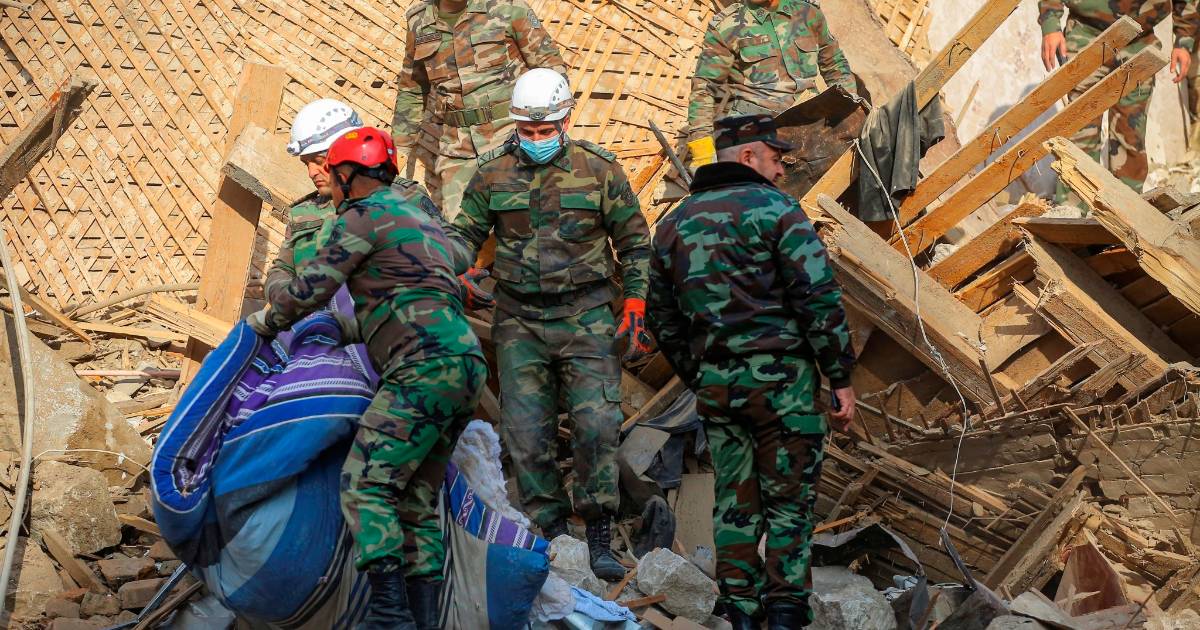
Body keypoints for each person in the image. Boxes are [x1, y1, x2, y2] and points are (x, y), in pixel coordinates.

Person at [246, 127, 485, 630]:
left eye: (331, 174)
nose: (326, 184)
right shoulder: (421, 221)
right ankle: (423, 622)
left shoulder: (359, 216)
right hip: (464, 366)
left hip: (420, 368)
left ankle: (390, 618)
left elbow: (310, 288)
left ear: (349, 176)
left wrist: (266, 324)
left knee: (364, 485)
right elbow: (409, 299)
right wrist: (346, 327)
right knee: (416, 500)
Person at [646, 114, 857, 629]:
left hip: (718, 387)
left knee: (734, 499)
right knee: (789, 500)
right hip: (784, 386)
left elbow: (661, 318)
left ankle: (739, 608)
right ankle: (784, 610)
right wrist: (839, 376)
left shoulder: (673, 223)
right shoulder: (778, 210)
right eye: (777, 159)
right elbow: (818, 298)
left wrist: (700, 375)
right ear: (748, 156)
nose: (782, 171)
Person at [446, 68, 652, 581]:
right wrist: (456, 268)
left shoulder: (600, 170)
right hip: (519, 320)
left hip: (587, 316)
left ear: (565, 121)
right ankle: (555, 535)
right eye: (527, 131)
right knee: (526, 433)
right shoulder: (492, 173)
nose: (536, 139)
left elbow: (634, 244)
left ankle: (599, 533)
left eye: (545, 130)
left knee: (596, 427)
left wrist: (634, 304)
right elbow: (464, 234)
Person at [393, 0, 567, 220]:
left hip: (510, 140)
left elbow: (550, 69)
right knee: (458, 230)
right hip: (456, 150)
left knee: (522, 224)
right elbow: (413, 88)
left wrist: (548, 132)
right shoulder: (419, 20)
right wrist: (400, 147)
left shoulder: (508, 8)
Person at [268, 99, 441, 302]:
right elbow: (282, 269)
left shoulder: (406, 197)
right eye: (306, 163)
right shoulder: (302, 214)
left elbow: (442, 259)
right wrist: (291, 297)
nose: (311, 172)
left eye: (318, 161)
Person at [1039, 0, 1198, 198]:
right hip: (1087, 34)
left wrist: (1183, 41)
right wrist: (1050, 25)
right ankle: (1073, 207)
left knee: (1131, 134)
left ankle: (1127, 205)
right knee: (1080, 130)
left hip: (1140, 40)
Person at [685, 0, 856, 170]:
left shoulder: (808, 12)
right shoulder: (726, 27)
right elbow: (704, 88)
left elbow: (834, 64)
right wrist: (703, 153)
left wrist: (850, 110)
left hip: (811, 126)